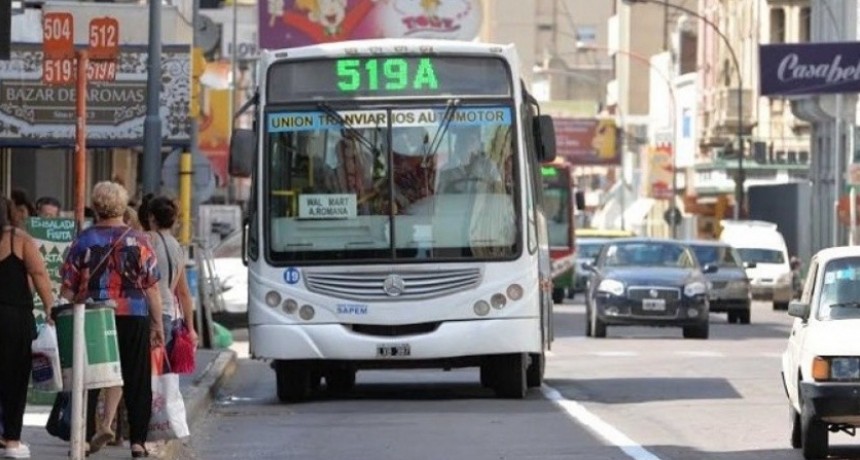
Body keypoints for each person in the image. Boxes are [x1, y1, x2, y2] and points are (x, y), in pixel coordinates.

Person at [60, 181, 164, 458]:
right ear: (123, 205)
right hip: (133, 313)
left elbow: (68, 286)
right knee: (137, 378)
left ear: (96, 206)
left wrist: (59, 315)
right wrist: (157, 324)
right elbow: (152, 287)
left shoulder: (83, 240)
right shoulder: (140, 240)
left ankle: (82, 438)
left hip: (91, 315)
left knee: (88, 377)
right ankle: (138, 442)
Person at [0, 194, 55, 459]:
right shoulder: (19, 239)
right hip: (15, 318)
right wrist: (50, 307)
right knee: (15, 379)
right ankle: (12, 440)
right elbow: (39, 273)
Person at [145, 196, 199, 350]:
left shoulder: (147, 240)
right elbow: (183, 292)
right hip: (168, 312)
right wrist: (190, 329)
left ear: (152, 217)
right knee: (159, 359)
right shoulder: (178, 247)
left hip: (148, 312)